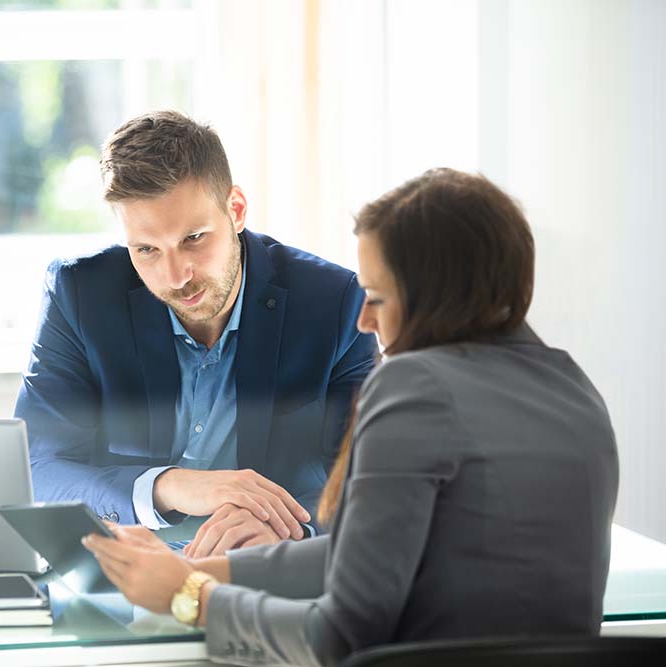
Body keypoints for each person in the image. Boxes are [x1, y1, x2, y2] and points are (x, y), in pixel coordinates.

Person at [82, 168, 619, 664]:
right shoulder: (574, 390)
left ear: (439, 298)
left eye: (378, 299)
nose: (363, 321)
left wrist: (188, 595)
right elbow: (360, 556)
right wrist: (196, 570)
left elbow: (341, 637)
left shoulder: (415, 385)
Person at [15, 111, 377, 553]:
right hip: (121, 572)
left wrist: (293, 531)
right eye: (146, 249)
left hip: (263, 570)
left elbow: (368, 476)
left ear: (236, 210)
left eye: (194, 238)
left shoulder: (334, 302)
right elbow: (39, 466)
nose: (175, 276)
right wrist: (167, 487)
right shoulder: (80, 295)